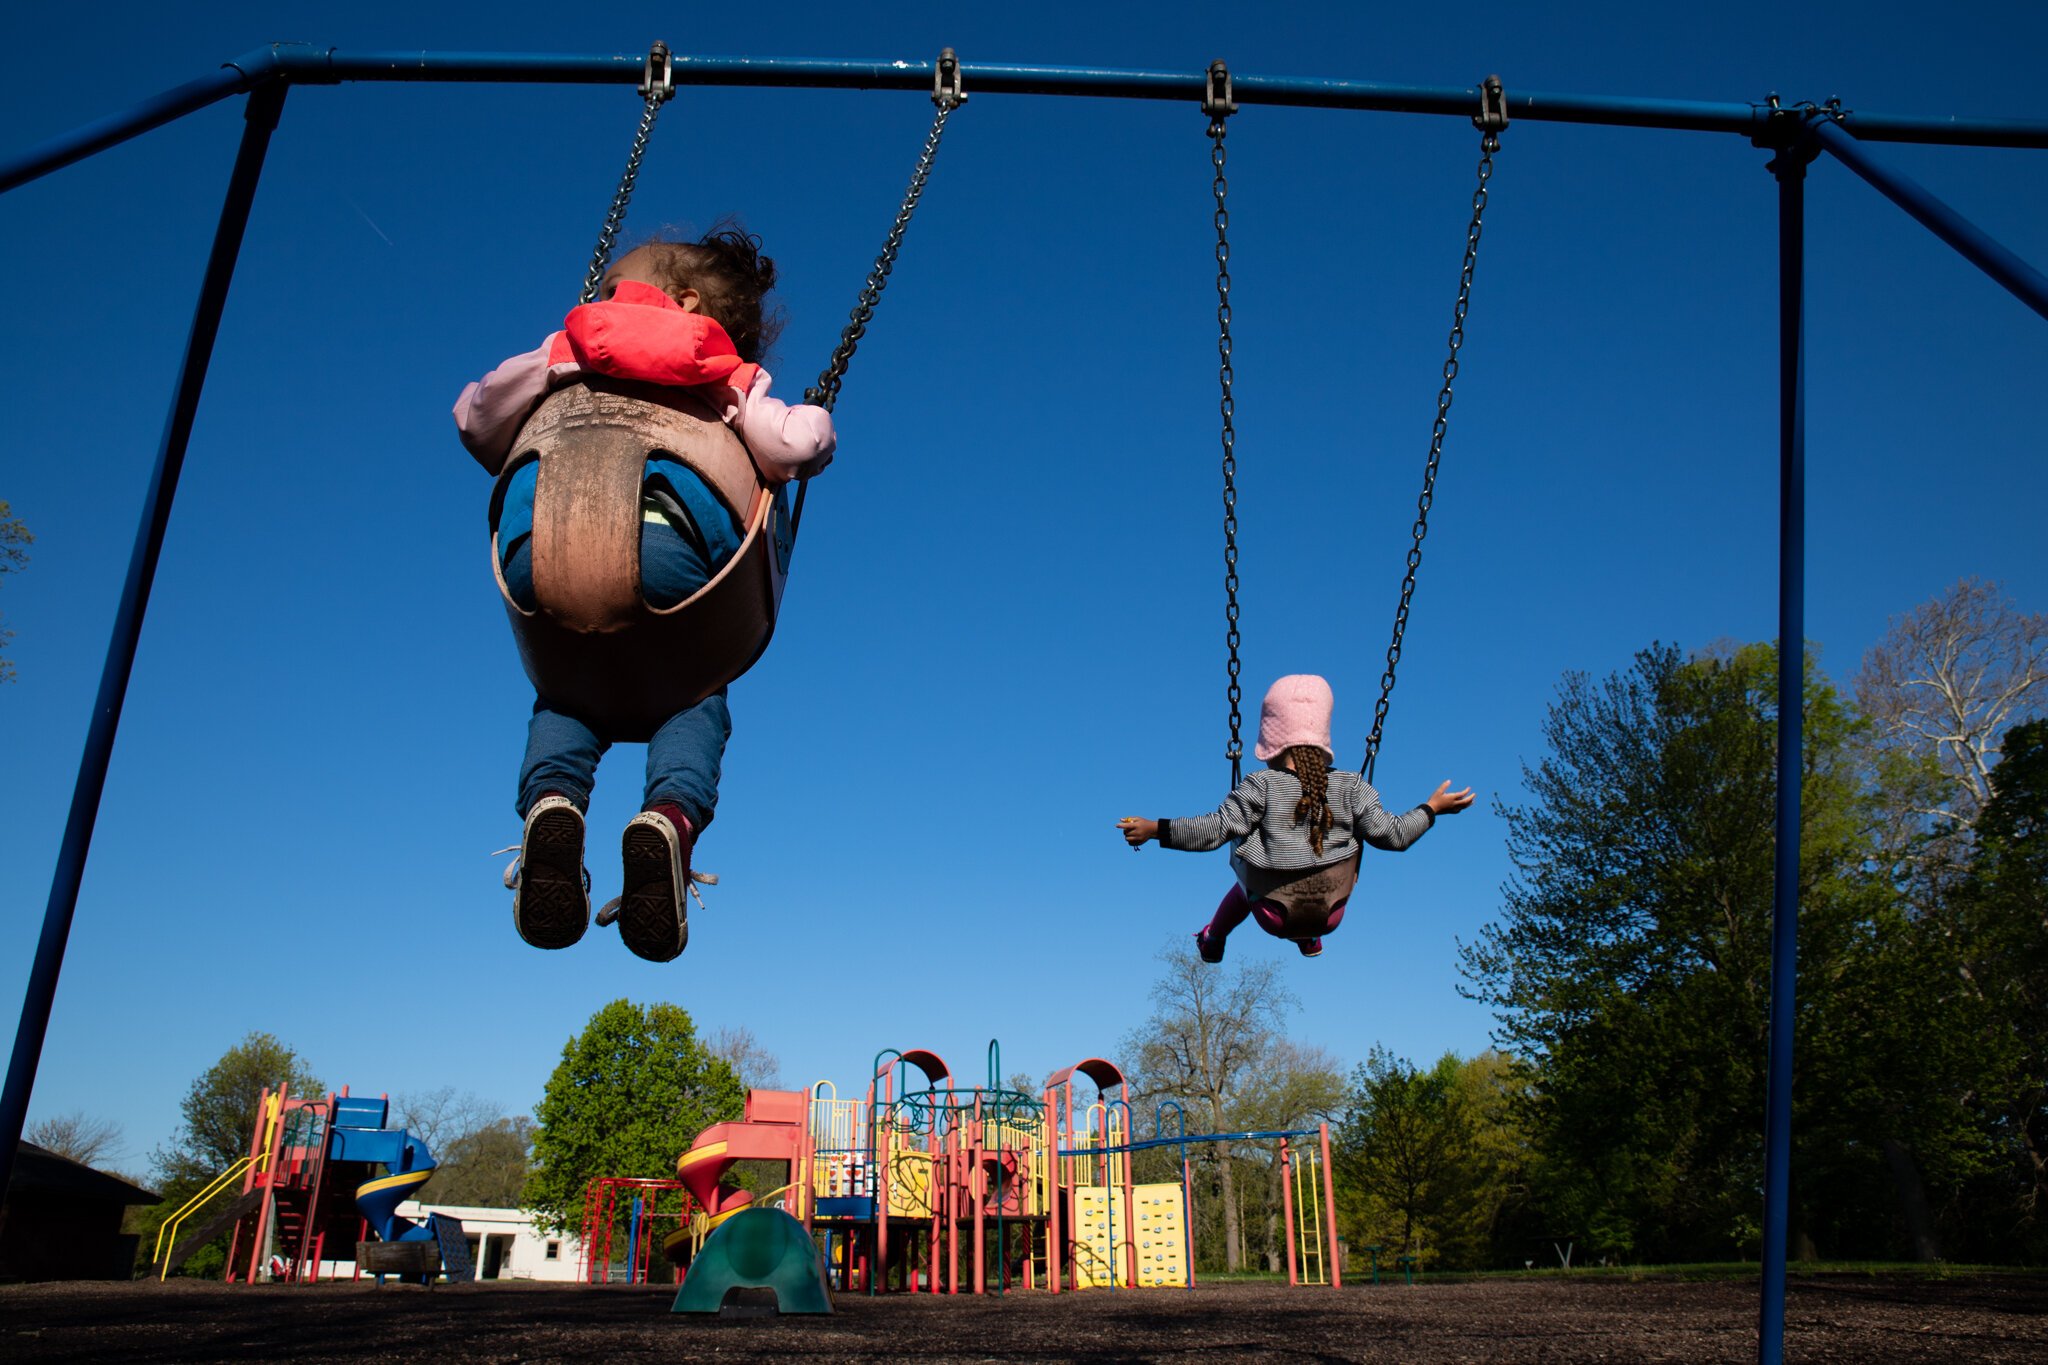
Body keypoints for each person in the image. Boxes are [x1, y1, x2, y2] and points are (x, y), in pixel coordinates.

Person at [454, 227, 834, 961]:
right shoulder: (726, 377)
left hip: (542, 547)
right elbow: (797, 445)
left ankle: (551, 807)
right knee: (698, 693)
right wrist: (815, 421)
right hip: (674, 552)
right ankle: (670, 818)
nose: (596, 301)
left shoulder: (564, 350)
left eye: (609, 287)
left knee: (564, 695)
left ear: (680, 299)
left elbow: (477, 423)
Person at [1117, 674, 1473, 959]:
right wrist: (1432, 808)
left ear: (1270, 743)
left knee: (1246, 871)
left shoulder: (1261, 786)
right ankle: (1310, 938)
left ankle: (1213, 936)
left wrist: (1154, 829)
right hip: (1331, 911)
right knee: (1339, 848)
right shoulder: (1352, 786)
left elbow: (1213, 830)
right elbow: (1395, 836)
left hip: (1272, 913)